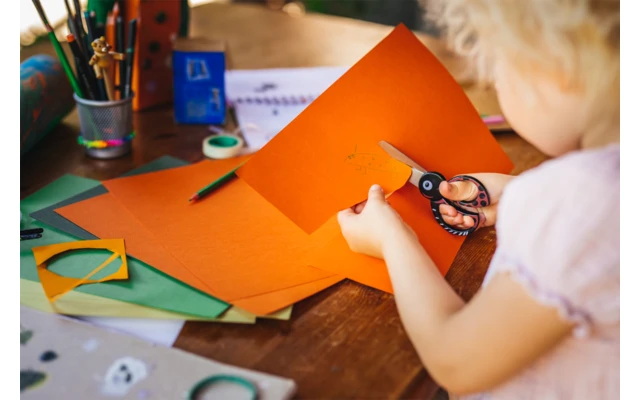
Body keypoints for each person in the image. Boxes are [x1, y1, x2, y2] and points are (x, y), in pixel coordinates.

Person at [337, 1, 620, 398]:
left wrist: (392, 240)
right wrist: (521, 193)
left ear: (555, 71)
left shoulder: (578, 204)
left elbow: (454, 361)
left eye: (498, 70)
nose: (495, 86)